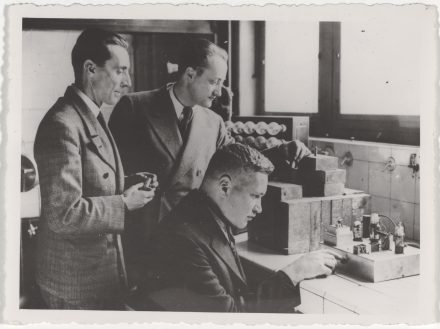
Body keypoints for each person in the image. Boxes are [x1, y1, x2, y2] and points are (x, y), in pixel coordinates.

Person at [108, 38, 311, 286]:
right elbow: (112, 174)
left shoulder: (213, 121)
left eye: (222, 83)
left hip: (191, 238)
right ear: (190, 74)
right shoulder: (135, 107)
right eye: (214, 82)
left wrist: (283, 151)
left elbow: (238, 160)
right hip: (146, 238)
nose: (219, 91)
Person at [132, 143, 342, 312]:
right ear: (224, 186)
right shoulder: (182, 240)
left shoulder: (205, 213)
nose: (259, 208)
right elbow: (230, 317)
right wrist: (294, 272)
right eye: (255, 196)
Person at [33, 28, 157, 310]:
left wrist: (127, 182)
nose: (127, 82)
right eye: (120, 70)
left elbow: (91, 180)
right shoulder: (62, 124)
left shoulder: (90, 114)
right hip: (75, 286)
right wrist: (124, 204)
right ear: (90, 69)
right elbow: (63, 215)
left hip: (99, 277)